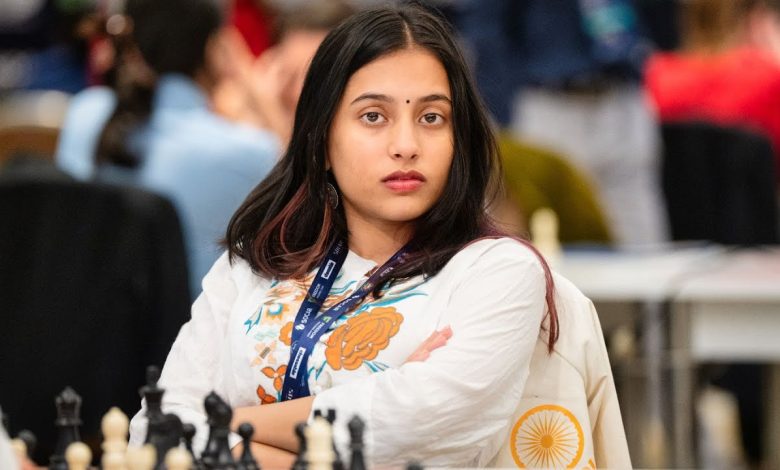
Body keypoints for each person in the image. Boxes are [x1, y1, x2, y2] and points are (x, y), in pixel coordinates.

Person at [127, 4, 614, 467]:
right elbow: (153, 434)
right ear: (320, 142)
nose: (406, 146)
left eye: (431, 118)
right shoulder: (252, 267)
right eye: (373, 116)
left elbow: (429, 433)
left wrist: (228, 427)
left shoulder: (497, 271)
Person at [55, 0, 280, 296]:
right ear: (216, 49)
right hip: (191, 334)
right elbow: (303, 182)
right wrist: (253, 84)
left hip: (90, 326)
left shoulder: (84, 113)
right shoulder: (251, 151)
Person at [645, 0, 780, 183]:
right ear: (754, 18)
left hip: (678, 206)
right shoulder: (768, 78)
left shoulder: (656, 77)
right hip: (757, 203)